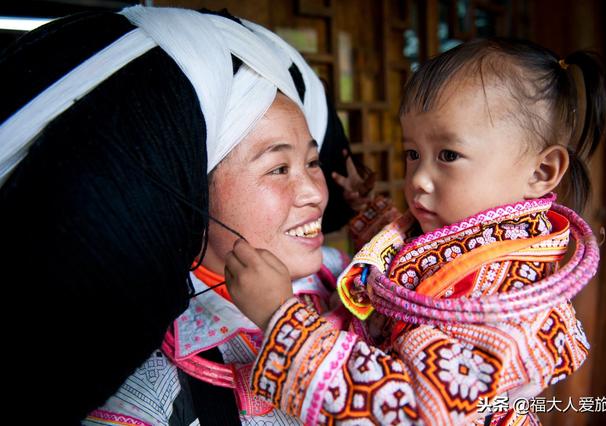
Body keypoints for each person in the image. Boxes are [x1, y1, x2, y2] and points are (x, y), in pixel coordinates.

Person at [0, 6, 365, 424]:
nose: (313, 193)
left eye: (313, 163)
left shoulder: (354, 280)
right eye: (278, 168)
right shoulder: (150, 387)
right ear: (195, 188)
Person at [228, 38, 606, 425]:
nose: (419, 180)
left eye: (448, 155)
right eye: (413, 154)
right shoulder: (471, 237)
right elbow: (413, 258)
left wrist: (282, 320)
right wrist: (368, 207)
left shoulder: (515, 306)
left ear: (540, 172)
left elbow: (416, 410)